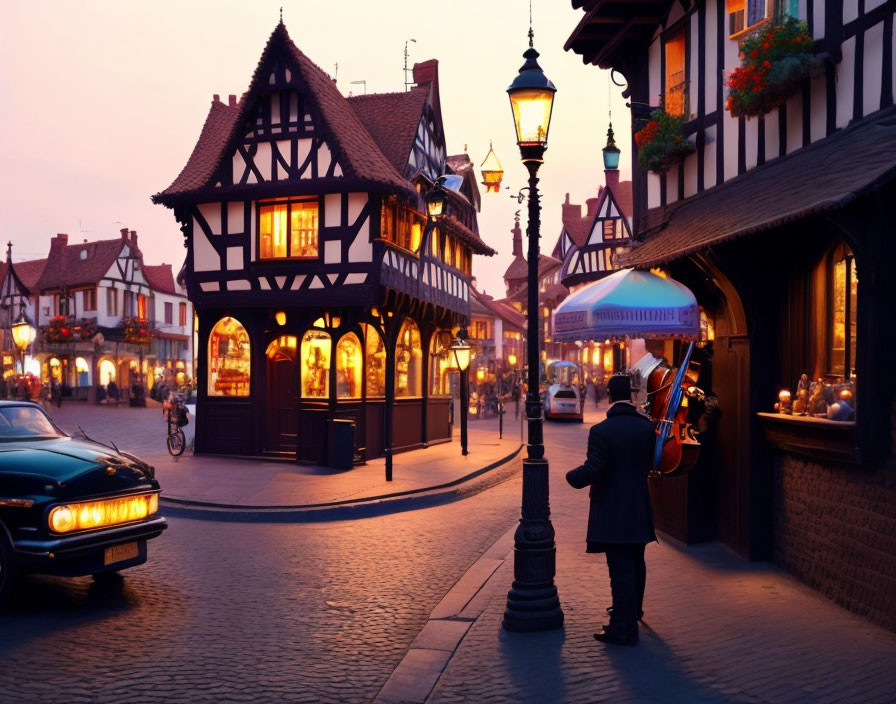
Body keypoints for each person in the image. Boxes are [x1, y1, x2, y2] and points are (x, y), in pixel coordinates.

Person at [565, 374, 657, 646]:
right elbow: (652, 463)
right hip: (639, 505)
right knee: (636, 562)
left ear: (608, 395)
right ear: (630, 394)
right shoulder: (646, 427)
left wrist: (571, 477)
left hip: (614, 510)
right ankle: (633, 611)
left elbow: (594, 469)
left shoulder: (602, 431)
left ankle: (623, 627)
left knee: (620, 568)